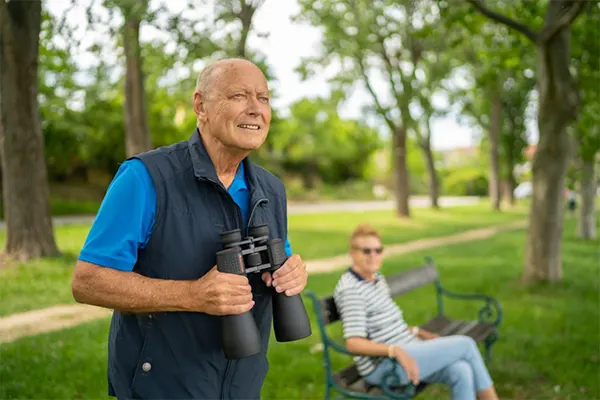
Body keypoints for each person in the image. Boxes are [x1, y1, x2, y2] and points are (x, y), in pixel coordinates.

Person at [71, 58, 309, 400]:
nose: (256, 109)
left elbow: (280, 258)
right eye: (239, 95)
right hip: (163, 388)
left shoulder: (271, 189)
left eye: (264, 98)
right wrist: (192, 295)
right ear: (201, 105)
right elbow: (88, 281)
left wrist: (293, 274)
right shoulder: (145, 177)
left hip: (243, 388)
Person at [333, 224, 499, 400]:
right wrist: (395, 351)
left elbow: (388, 325)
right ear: (352, 253)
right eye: (366, 251)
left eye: (378, 250)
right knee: (465, 345)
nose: (373, 256)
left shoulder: (375, 279)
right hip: (385, 367)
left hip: (409, 350)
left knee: (460, 370)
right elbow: (353, 343)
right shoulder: (352, 290)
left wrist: (419, 332)